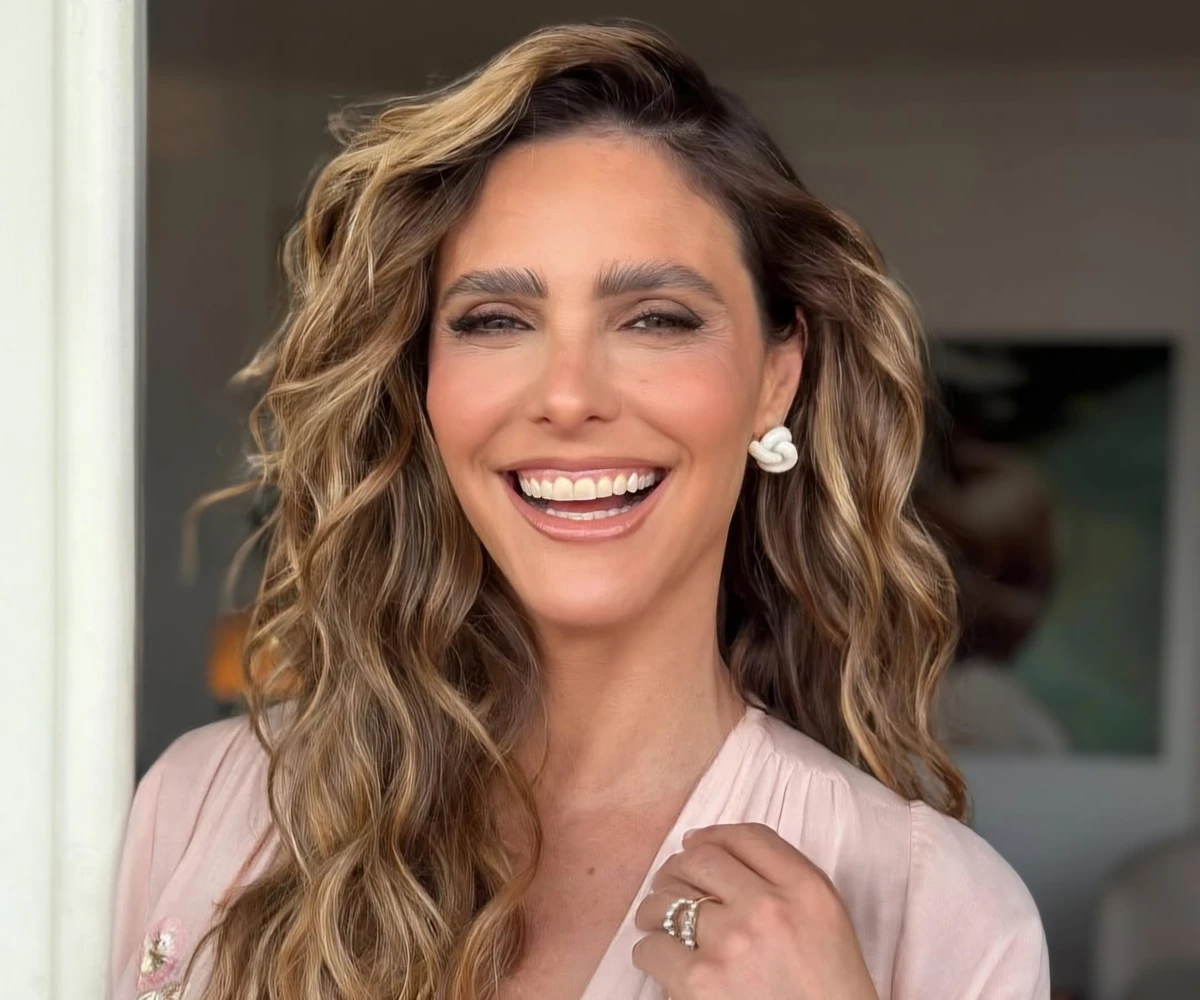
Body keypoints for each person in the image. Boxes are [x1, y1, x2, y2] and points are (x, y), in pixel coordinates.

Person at [110, 21, 1050, 1000]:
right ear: (425, 382)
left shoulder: (939, 910)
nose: (567, 396)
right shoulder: (204, 806)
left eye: (656, 319)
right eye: (495, 321)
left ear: (776, 378)